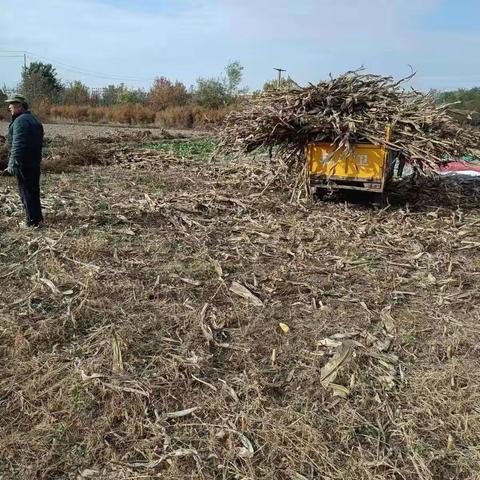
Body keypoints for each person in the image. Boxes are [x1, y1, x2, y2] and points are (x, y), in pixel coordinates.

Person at [3, 94, 44, 227]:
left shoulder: (20, 121)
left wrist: (12, 164)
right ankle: (37, 219)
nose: (9, 106)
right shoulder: (34, 119)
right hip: (34, 162)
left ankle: (32, 222)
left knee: (26, 192)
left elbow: (18, 144)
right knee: (33, 191)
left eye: (12, 104)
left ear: (19, 105)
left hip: (24, 163)